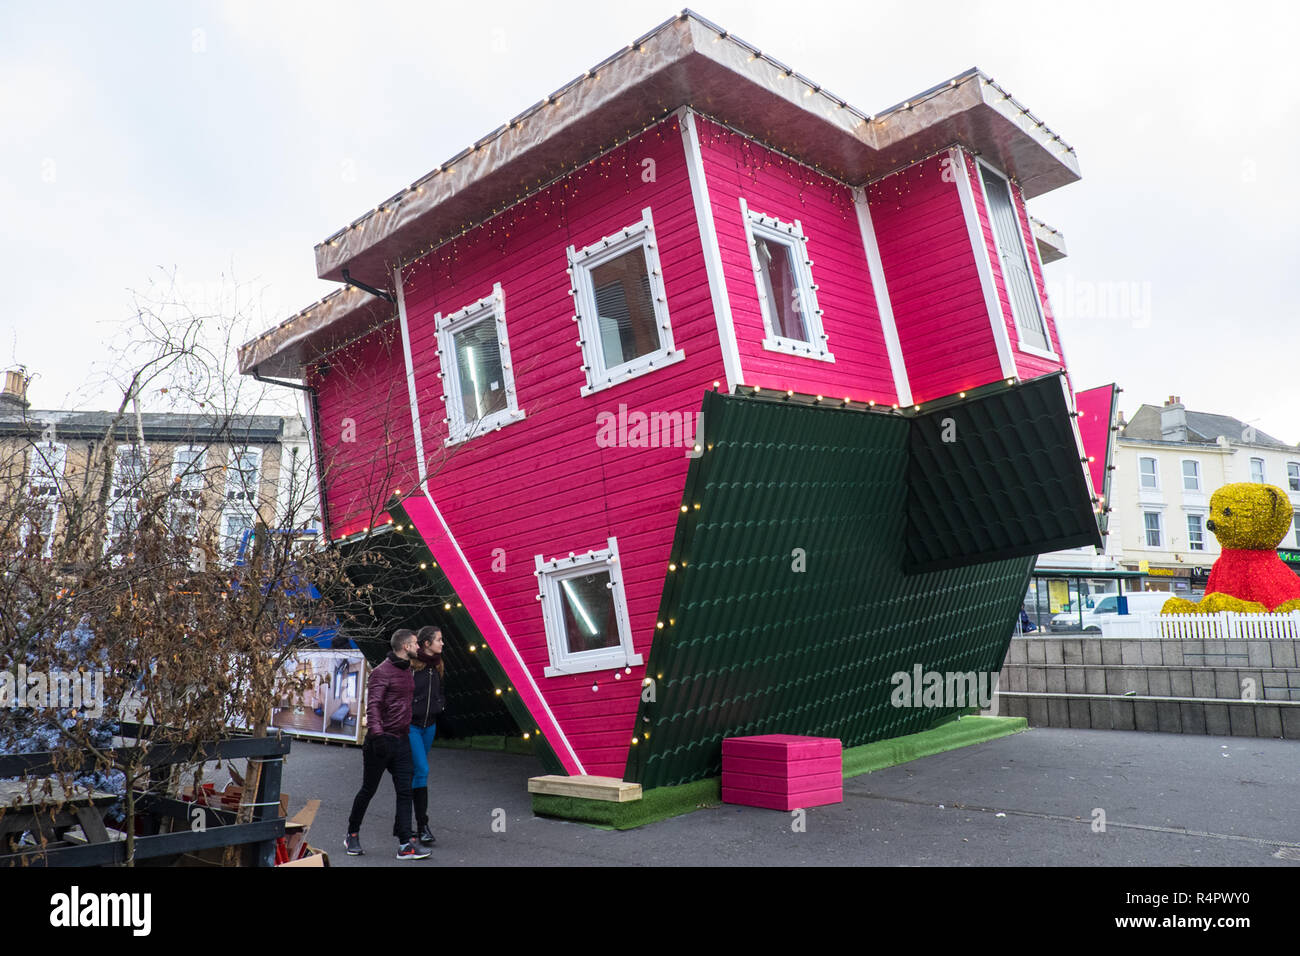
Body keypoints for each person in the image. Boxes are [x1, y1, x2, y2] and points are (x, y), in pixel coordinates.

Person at [344, 629, 428, 860]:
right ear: (404, 647)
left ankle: (405, 842)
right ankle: (352, 833)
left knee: (405, 791)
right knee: (368, 790)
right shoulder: (382, 672)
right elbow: (374, 706)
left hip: (402, 740)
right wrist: (378, 736)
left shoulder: (408, 670)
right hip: (380, 742)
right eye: (415, 644)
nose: (418, 647)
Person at [408, 625, 445, 848]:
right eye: (439, 640)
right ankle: (423, 826)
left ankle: (415, 824)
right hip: (412, 726)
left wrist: (440, 705)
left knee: (418, 774)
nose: (442, 643)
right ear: (427, 644)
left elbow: (440, 691)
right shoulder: (412, 665)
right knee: (422, 769)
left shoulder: (438, 664)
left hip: (429, 725)